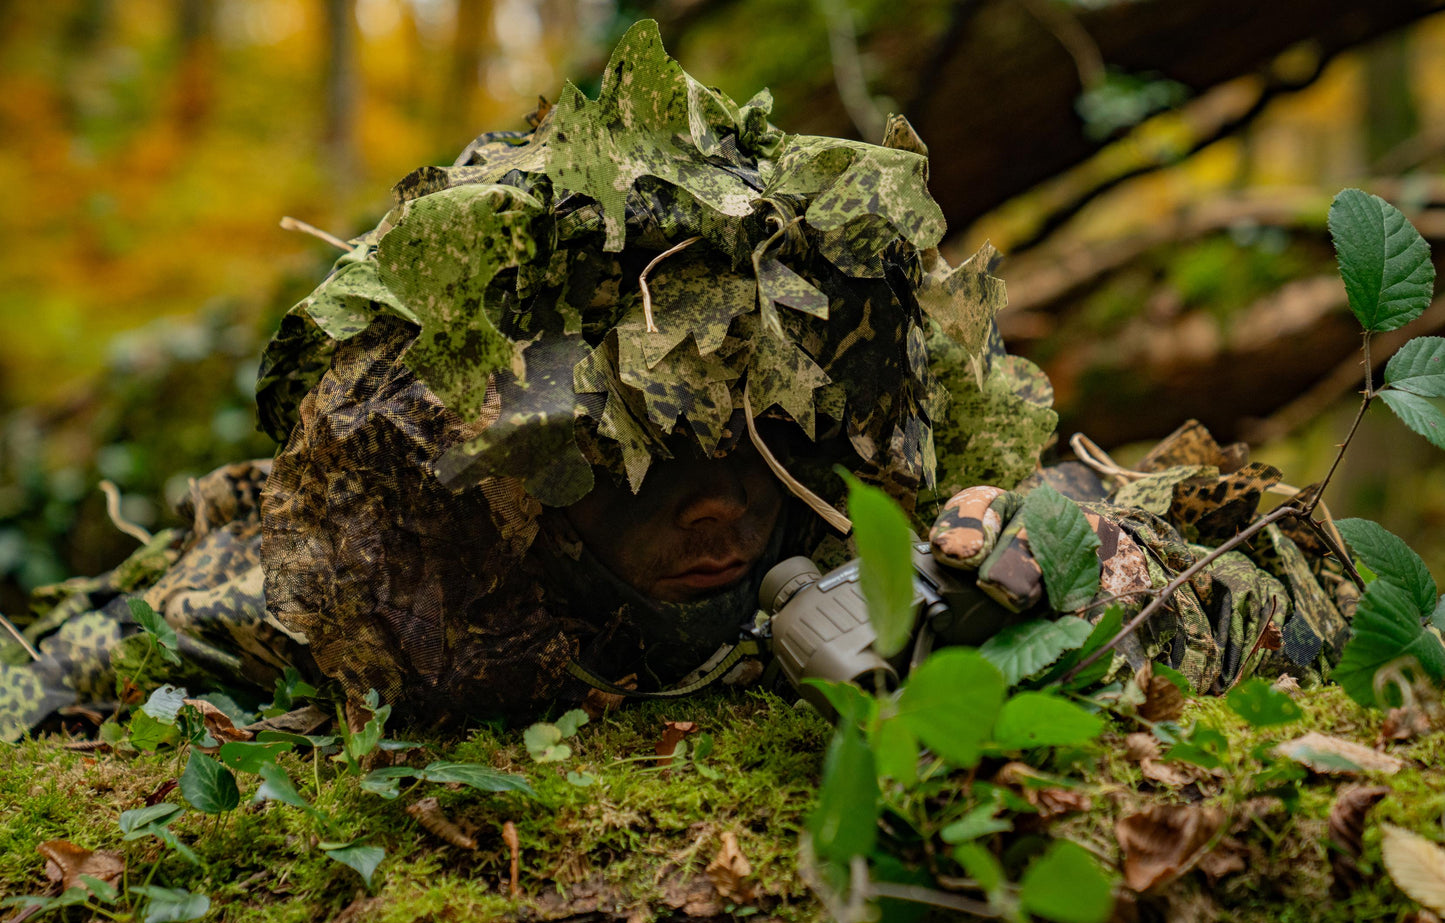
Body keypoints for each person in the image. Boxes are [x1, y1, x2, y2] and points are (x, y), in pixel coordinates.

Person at [0, 21, 1349, 740]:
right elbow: (79, 664)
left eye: (744, 459)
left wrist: (1082, 566)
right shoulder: (383, 572)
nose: (713, 519)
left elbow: (1306, 576)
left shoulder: (875, 501)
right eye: (644, 470)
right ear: (529, 488)